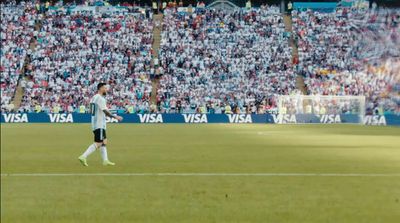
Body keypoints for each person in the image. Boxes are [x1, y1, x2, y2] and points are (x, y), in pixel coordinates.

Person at [78, 83, 123, 167]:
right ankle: (83, 156)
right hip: (99, 123)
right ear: (101, 88)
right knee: (99, 143)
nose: (106, 90)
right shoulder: (100, 98)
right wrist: (115, 117)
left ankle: (105, 160)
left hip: (95, 123)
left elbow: (91, 110)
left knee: (104, 142)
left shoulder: (94, 98)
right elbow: (105, 111)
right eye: (105, 88)